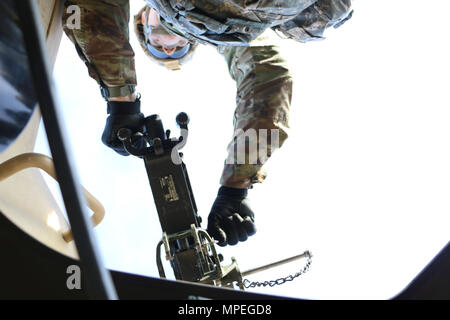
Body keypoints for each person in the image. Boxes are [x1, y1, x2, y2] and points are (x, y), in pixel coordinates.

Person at [62, 0, 353, 247]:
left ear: (142, 21)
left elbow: (93, 11)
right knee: (326, 17)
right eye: (174, 50)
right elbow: (269, 78)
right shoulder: (231, 32)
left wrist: (121, 101)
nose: (167, 49)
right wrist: (235, 187)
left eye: (160, 46)